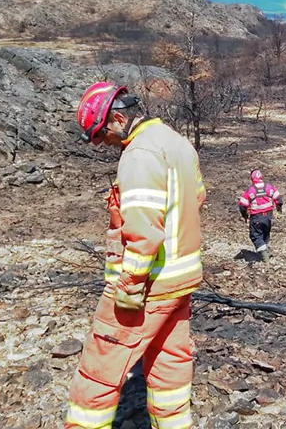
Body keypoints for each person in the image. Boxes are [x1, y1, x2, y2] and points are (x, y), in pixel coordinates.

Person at [65, 81, 205, 429]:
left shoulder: (140, 153)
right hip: (181, 280)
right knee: (169, 361)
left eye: (99, 134)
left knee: (100, 368)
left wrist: (129, 286)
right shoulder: (176, 142)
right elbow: (197, 196)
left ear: (115, 119)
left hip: (148, 288)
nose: (100, 143)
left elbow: (143, 231)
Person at [238, 169, 283, 262]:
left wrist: (245, 216)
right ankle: (267, 249)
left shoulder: (250, 190)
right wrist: (279, 211)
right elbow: (278, 199)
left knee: (255, 235)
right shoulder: (269, 187)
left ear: (252, 178)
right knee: (265, 234)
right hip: (269, 216)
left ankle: (264, 254)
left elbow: (242, 205)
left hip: (256, 217)